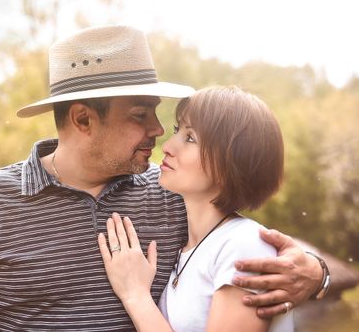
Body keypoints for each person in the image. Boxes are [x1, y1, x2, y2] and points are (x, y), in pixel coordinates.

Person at [0, 26, 329, 331]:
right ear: (82, 119)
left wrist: (316, 272)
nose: (156, 129)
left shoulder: (174, 194)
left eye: (156, 112)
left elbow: (261, 249)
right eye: (139, 115)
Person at [98, 85, 297, 331]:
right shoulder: (189, 248)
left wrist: (136, 295)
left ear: (231, 162)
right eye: (177, 130)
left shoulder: (243, 245)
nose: (168, 145)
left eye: (190, 138)